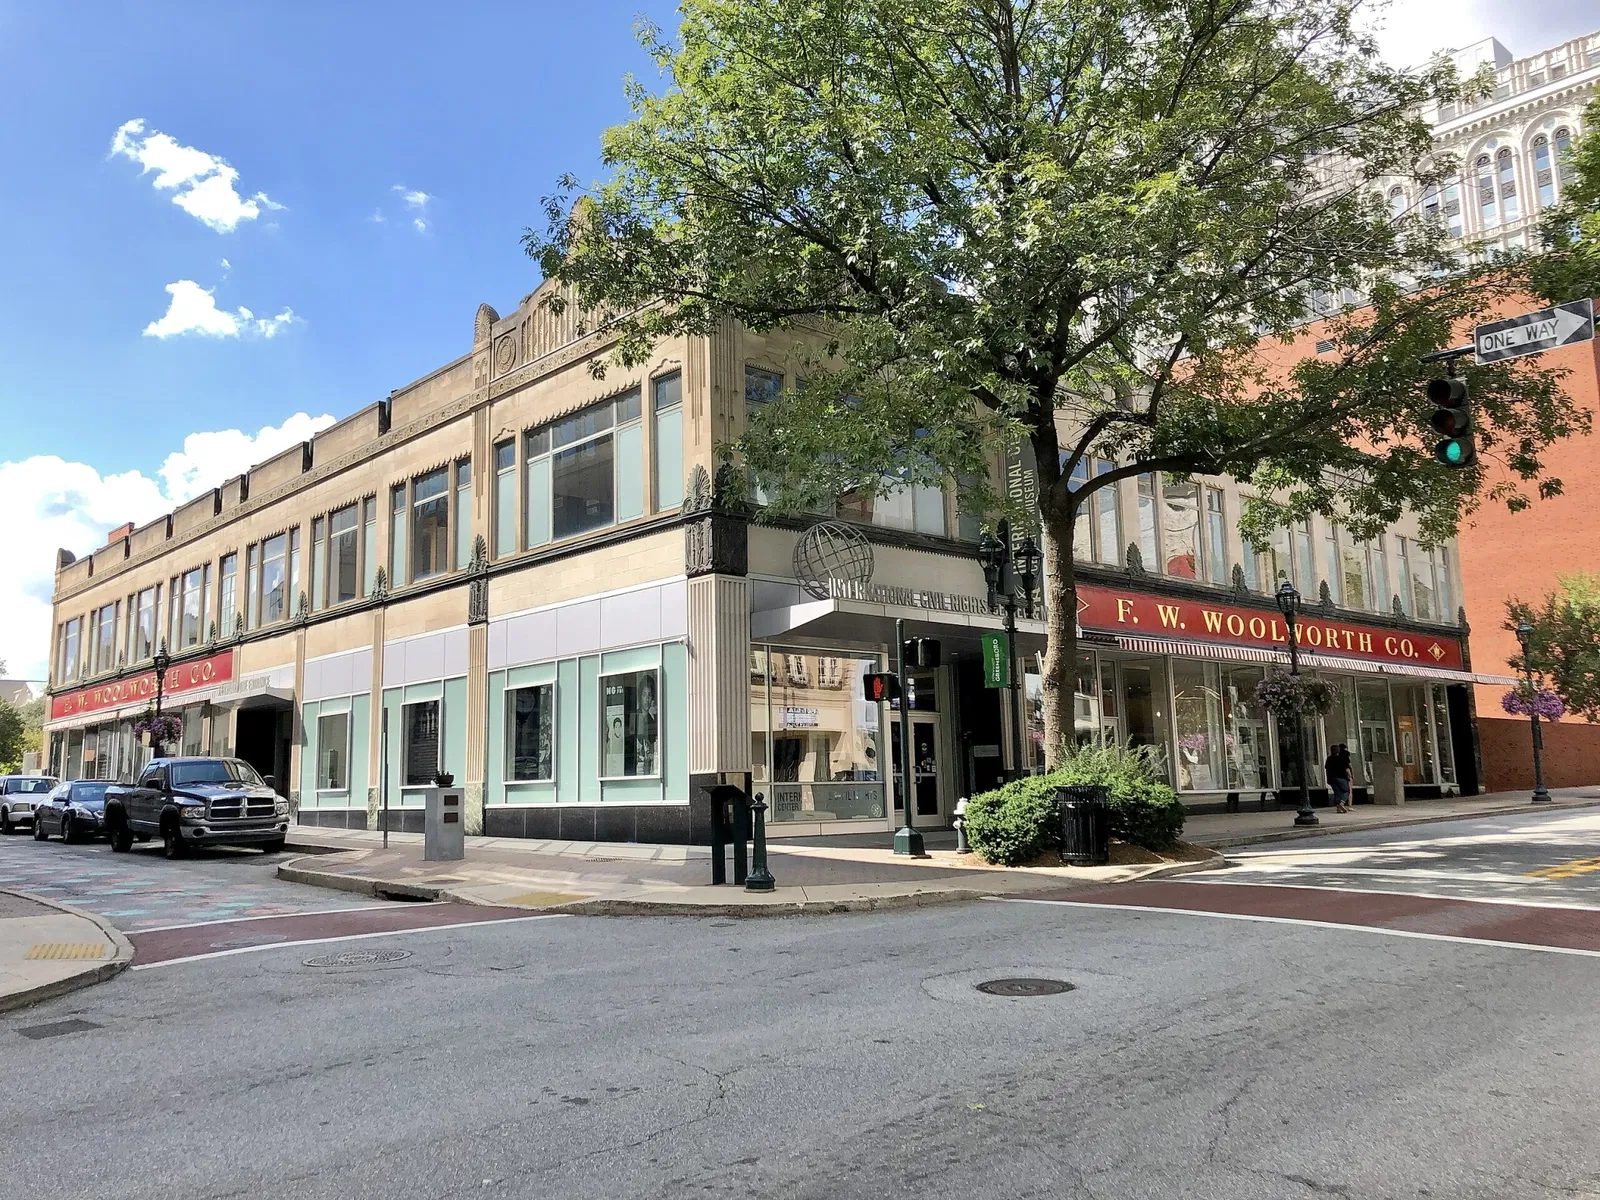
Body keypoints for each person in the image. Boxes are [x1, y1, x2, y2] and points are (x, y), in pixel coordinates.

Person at [1327, 743, 1353, 812]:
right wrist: (1350, 776)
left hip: (1332, 778)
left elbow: (1327, 769)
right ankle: (1342, 803)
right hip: (1341, 777)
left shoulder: (1329, 759)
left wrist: (1328, 779)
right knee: (1346, 791)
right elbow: (1346, 769)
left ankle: (1338, 807)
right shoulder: (1341, 758)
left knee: (1337, 792)